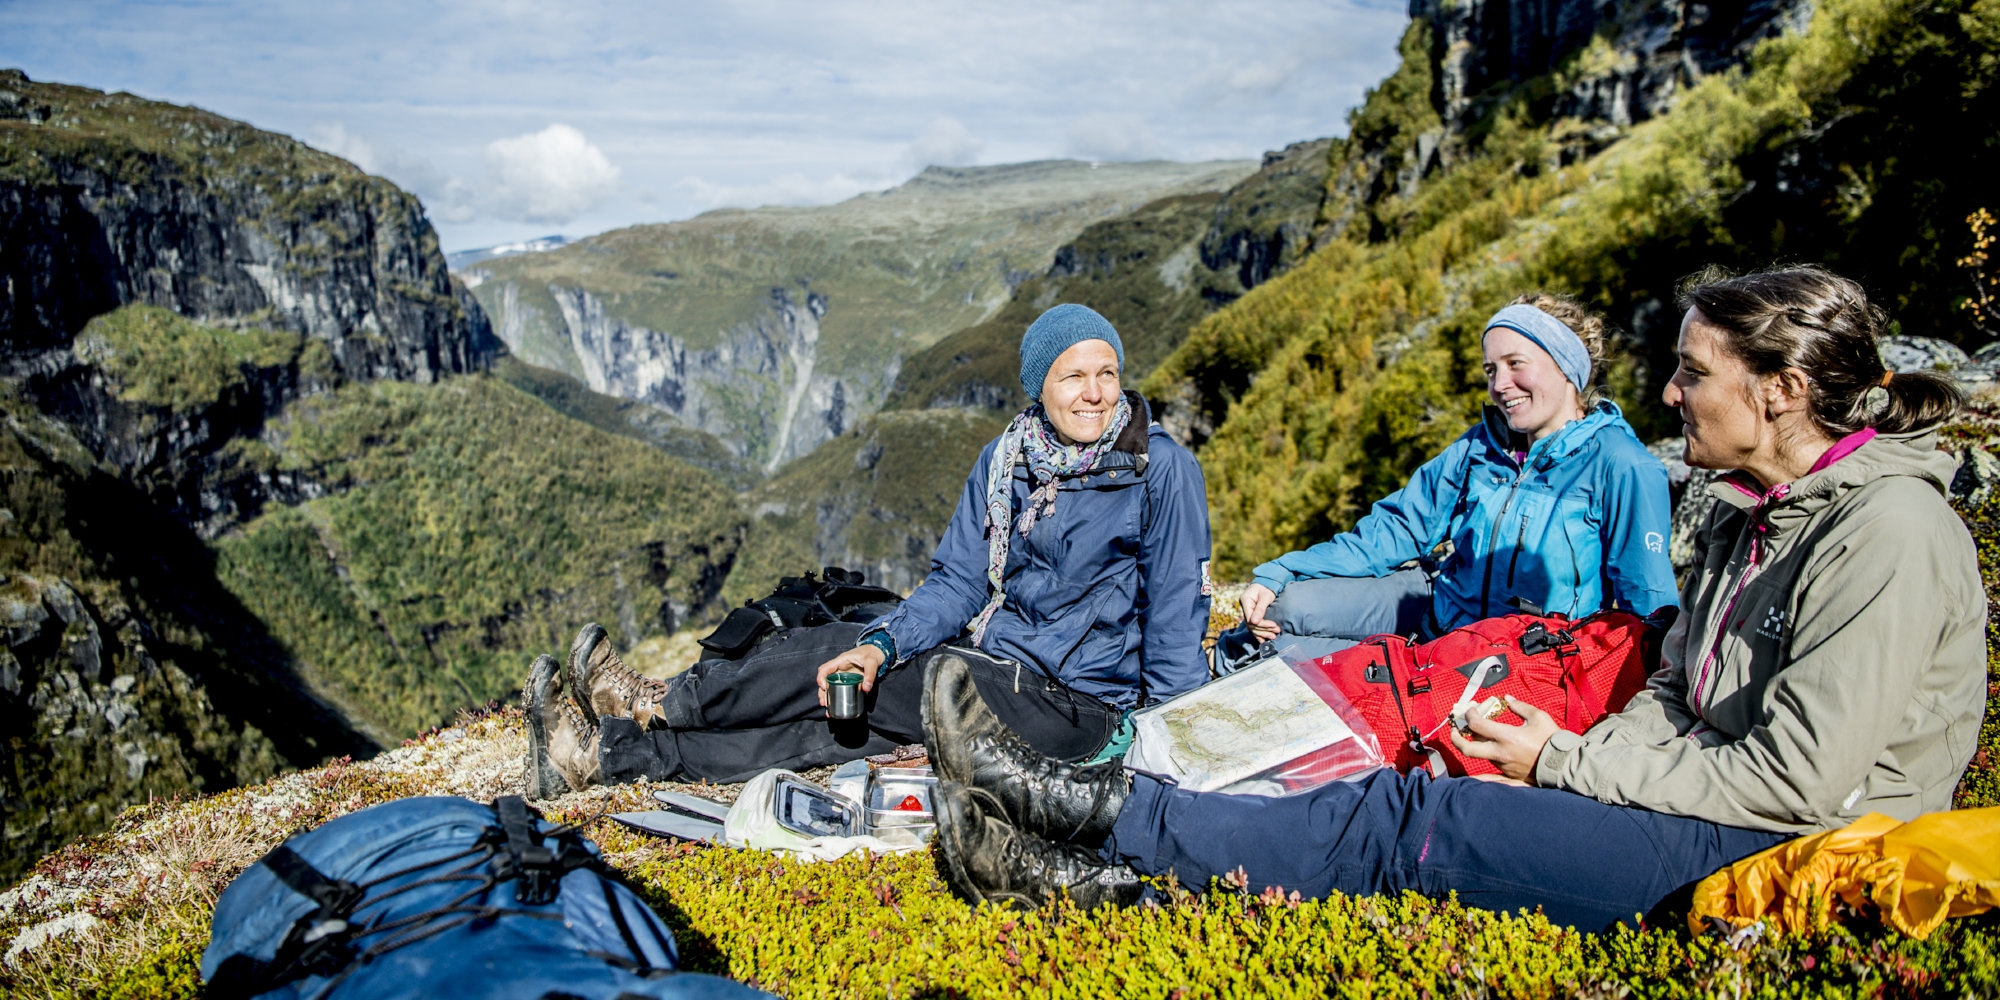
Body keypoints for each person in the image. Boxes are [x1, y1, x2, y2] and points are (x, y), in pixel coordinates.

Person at [924, 266, 1989, 931]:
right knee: (1388, 775)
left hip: (1782, 851)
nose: (1669, 394)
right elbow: (1675, 695)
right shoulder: (1739, 509)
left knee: (1416, 823)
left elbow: (1795, 779)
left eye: (1691, 372)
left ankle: (1092, 812)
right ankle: (1090, 873)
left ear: (1779, 389)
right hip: (1689, 796)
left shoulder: (1884, 531)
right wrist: (1568, 751)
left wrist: (1562, 761)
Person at [522, 303, 1214, 793]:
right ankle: (602, 755)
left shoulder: (1161, 471)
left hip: (1077, 708)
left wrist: (1169, 749)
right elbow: (958, 584)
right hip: (997, 667)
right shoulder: (1007, 460)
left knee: (835, 661)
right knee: (837, 723)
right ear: (1039, 388)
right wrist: (883, 644)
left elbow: (1177, 619)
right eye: (1075, 376)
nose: (1096, 394)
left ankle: (659, 701)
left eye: (1107, 373)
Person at [1229, 295, 1678, 664]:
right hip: (1436, 617)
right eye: (1490, 370)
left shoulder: (1622, 465)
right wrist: (1282, 570)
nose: (1500, 385)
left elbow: (1647, 607)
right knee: (1282, 611)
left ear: (1566, 368)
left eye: (1515, 364)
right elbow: (1396, 530)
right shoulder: (1480, 447)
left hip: (1517, 660)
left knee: (1285, 659)